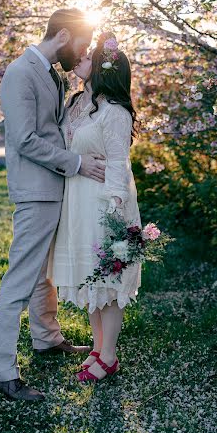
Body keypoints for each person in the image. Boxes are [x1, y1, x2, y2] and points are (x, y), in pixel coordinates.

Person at [0, 8, 106, 401]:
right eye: (81, 44)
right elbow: (24, 139)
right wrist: (76, 162)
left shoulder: (51, 74)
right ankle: (3, 371)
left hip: (56, 188)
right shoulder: (20, 73)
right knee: (20, 278)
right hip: (36, 190)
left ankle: (47, 338)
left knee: (44, 274)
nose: (82, 52)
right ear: (62, 36)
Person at [47, 30, 141, 382]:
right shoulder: (75, 103)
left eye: (87, 57)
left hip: (105, 203)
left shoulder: (114, 111)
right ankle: (98, 348)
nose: (80, 59)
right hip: (77, 200)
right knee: (92, 278)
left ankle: (109, 355)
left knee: (109, 280)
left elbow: (119, 161)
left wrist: (116, 210)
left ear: (103, 68)